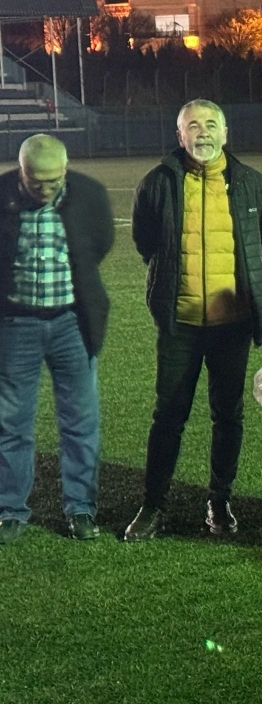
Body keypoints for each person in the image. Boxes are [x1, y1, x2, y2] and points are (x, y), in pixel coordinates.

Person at [124, 99, 262, 541]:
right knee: (168, 415)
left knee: (227, 415)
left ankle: (219, 500)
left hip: (231, 324)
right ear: (179, 136)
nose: (203, 132)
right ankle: (153, 505)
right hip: (179, 323)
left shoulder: (253, 184)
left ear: (225, 132)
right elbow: (145, 241)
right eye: (193, 125)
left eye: (211, 124)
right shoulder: (157, 183)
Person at [0, 135, 113, 543]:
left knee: (80, 422)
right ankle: (10, 509)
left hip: (72, 324)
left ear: (65, 170)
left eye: (53, 181)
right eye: (36, 181)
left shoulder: (89, 194)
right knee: (11, 423)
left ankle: (80, 508)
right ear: (21, 171)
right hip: (16, 324)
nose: (46, 189)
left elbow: (99, 243)